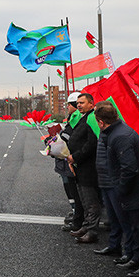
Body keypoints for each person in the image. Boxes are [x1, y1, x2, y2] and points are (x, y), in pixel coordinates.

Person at [95, 102, 139, 277]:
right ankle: (137, 258)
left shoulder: (119, 136)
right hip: (134, 191)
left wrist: (120, 190)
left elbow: (129, 169)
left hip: (136, 192)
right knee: (136, 229)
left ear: (101, 122)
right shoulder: (118, 131)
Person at [93, 101, 134, 262]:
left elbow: (126, 164)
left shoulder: (117, 134)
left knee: (124, 220)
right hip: (104, 180)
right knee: (113, 219)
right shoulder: (105, 132)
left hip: (113, 182)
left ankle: (129, 252)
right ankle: (114, 245)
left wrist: (120, 184)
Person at [66, 92, 100, 243]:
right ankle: (86, 226)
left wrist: (75, 156)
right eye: (78, 103)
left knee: (91, 200)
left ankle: (92, 231)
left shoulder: (92, 118)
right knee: (84, 199)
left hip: (89, 167)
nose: (79, 105)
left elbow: (92, 144)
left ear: (91, 104)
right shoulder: (83, 117)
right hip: (80, 166)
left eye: (82, 103)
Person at [56, 93, 84, 231]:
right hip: (68, 160)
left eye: (69, 104)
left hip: (73, 160)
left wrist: (57, 141)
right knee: (72, 190)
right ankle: (76, 214)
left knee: (75, 191)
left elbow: (72, 138)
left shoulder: (78, 118)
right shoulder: (73, 118)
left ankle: (78, 218)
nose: (67, 107)